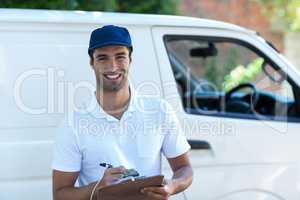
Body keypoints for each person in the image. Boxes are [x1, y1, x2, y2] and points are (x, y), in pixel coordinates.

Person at [52, 25, 193, 200]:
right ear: (91, 62)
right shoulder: (73, 122)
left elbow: (184, 169)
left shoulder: (160, 110)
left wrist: (172, 186)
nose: (112, 66)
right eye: (103, 58)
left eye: (120, 56)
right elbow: (60, 194)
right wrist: (97, 188)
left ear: (130, 59)